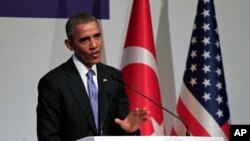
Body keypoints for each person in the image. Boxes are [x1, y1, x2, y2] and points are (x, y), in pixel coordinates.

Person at [36, 13, 150, 141]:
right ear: (70, 45)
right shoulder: (53, 82)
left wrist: (129, 131)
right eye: (85, 39)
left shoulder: (113, 77)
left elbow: (120, 127)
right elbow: (48, 136)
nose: (94, 45)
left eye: (97, 36)